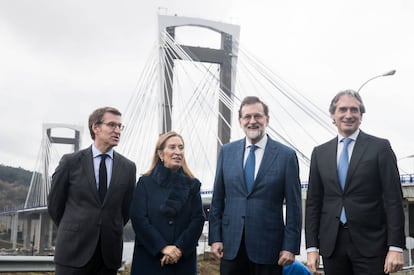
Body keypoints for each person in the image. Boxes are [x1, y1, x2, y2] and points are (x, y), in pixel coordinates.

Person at [305, 90, 405, 275]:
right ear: (333, 115)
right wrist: (311, 248)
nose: (348, 115)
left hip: (371, 244)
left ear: (361, 116)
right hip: (332, 245)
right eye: (343, 109)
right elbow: (313, 203)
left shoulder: (380, 148)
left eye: (354, 110)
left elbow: (393, 200)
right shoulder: (320, 153)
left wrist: (396, 247)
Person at [209, 96, 302, 275]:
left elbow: (294, 206)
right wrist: (215, 238)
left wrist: (290, 246)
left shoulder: (286, 156)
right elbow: (217, 200)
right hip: (231, 247)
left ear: (267, 119)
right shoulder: (227, 152)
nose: (253, 121)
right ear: (240, 121)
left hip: (269, 249)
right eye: (247, 117)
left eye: (258, 116)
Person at [47, 106, 136, 275]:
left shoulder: (128, 168)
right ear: (96, 127)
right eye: (111, 125)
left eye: (120, 126)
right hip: (73, 252)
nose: (117, 130)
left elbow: (125, 210)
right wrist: (76, 227)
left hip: (108, 256)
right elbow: (54, 205)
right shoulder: (70, 162)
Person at [129, 131, 205, 275]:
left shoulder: (192, 184)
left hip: (182, 262)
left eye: (181, 147)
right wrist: (163, 247)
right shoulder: (145, 183)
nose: (178, 152)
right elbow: (139, 219)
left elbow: (198, 220)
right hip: (150, 259)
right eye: (172, 147)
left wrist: (178, 248)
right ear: (160, 153)